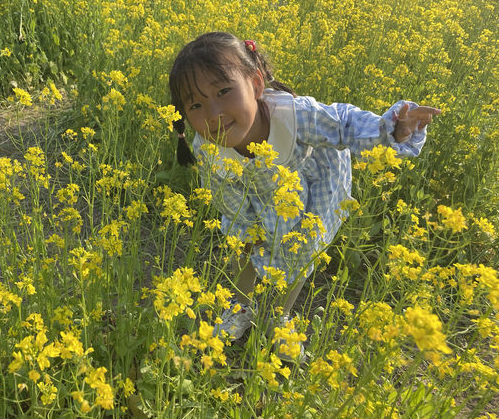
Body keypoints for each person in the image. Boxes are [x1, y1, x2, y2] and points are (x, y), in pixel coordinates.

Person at [168, 31, 440, 358]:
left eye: (224, 91)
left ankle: (279, 317)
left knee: (299, 254)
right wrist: (244, 228)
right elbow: (223, 190)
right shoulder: (207, 146)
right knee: (243, 250)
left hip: (311, 193)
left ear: (256, 85)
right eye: (196, 104)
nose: (213, 114)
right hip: (251, 202)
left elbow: (343, 124)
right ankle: (239, 307)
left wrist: (392, 128)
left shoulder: (295, 117)